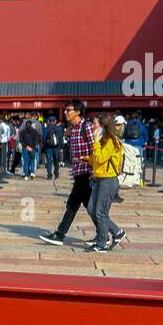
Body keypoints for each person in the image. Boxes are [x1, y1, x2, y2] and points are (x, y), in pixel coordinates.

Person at [40, 100, 97, 246]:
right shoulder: (74, 129)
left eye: (68, 110)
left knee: (73, 204)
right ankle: (110, 232)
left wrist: (93, 172)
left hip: (86, 173)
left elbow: (95, 150)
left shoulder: (87, 127)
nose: (65, 112)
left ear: (77, 112)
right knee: (86, 205)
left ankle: (59, 235)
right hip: (78, 172)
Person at [87, 114, 128, 253]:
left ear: (103, 126)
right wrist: (87, 159)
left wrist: (95, 142)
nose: (93, 127)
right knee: (92, 209)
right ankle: (117, 232)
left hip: (108, 181)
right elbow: (96, 160)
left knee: (100, 213)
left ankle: (102, 242)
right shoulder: (104, 141)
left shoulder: (110, 141)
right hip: (99, 179)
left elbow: (101, 157)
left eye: (95, 124)